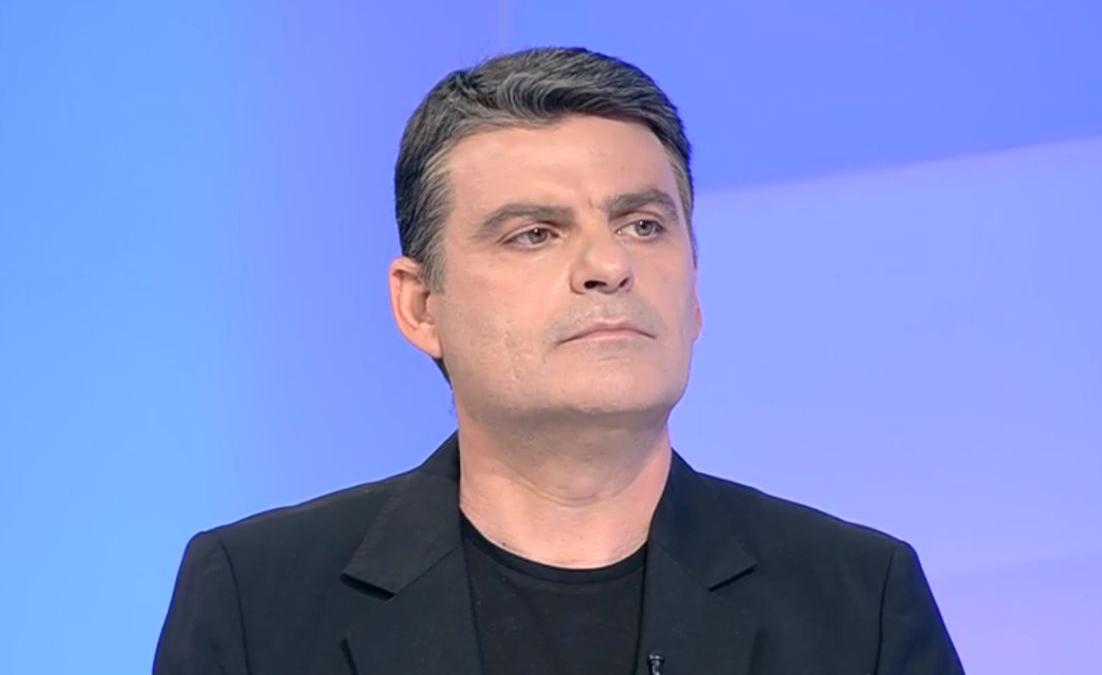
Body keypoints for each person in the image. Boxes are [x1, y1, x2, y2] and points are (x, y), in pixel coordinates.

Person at [154, 46, 965, 675]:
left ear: (694, 290)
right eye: (534, 233)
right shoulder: (258, 598)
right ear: (421, 305)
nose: (608, 265)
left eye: (644, 225)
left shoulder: (858, 599)